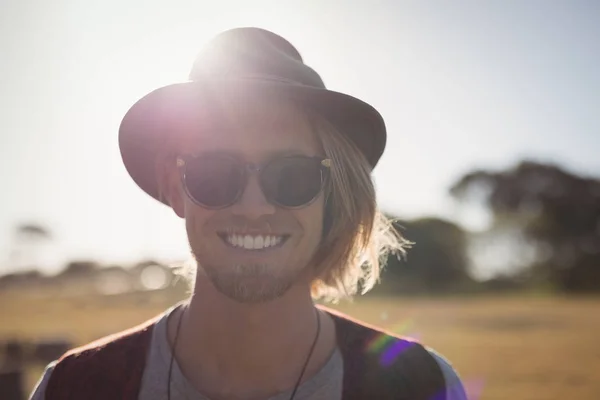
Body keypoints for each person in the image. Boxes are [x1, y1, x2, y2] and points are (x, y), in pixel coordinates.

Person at [30, 27, 467, 400]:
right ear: (174, 187)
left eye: (292, 177)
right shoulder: (74, 387)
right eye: (214, 174)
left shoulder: (422, 386)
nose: (254, 207)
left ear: (332, 194)